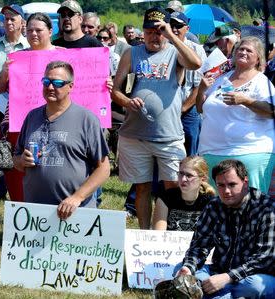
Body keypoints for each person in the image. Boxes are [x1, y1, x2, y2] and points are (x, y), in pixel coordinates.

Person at [111, 7, 201, 229]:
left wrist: (172, 36)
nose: (154, 35)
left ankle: (169, 234)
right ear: (143, 30)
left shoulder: (175, 52)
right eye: (150, 30)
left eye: (159, 31)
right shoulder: (131, 53)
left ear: (167, 31)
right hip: (135, 134)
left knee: (172, 186)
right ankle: (144, 234)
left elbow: (196, 64)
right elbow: (116, 90)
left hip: (167, 135)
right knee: (142, 187)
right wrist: (127, 102)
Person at [13, 61, 110, 219]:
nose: (50, 87)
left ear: (70, 86)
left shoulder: (86, 119)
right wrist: (21, 161)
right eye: (46, 81)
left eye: (58, 83)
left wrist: (77, 197)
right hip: (36, 213)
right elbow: (16, 159)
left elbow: (104, 169)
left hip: (74, 213)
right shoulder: (32, 117)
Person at [177, 159, 275, 298]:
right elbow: (199, 247)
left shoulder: (266, 208)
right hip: (218, 272)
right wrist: (188, 267)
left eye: (232, 184)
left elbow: (265, 259)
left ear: (245, 183)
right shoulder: (213, 207)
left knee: (255, 286)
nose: (226, 191)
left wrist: (228, 278)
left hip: (253, 276)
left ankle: (214, 294)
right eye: (221, 185)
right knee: (182, 271)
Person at [197, 36, 275, 193]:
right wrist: (201, 90)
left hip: (249, 152)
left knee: (249, 205)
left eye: (249, 50)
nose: (243, 52)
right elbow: (200, 108)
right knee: (216, 207)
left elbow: (272, 110)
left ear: (258, 58)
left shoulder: (262, 82)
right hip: (211, 152)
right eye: (240, 48)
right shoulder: (221, 79)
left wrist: (245, 100)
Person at [0, 4, 29, 201]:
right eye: (5, 18)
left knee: (18, 150)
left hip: (24, 109)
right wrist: (4, 73)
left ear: (22, 22)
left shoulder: (31, 46)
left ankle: (23, 192)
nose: (9, 22)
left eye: (13, 18)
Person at [169, 11, 207, 156]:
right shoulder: (162, 47)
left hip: (189, 107)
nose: (174, 29)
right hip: (166, 108)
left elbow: (199, 85)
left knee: (190, 146)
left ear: (187, 29)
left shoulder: (197, 49)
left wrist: (183, 108)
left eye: (178, 26)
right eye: (171, 25)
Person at [152, 156, 215, 231]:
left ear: (202, 179)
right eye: (181, 173)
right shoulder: (165, 198)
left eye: (189, 175)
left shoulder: (210, 203)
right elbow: (159, 234)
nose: (183, 179)